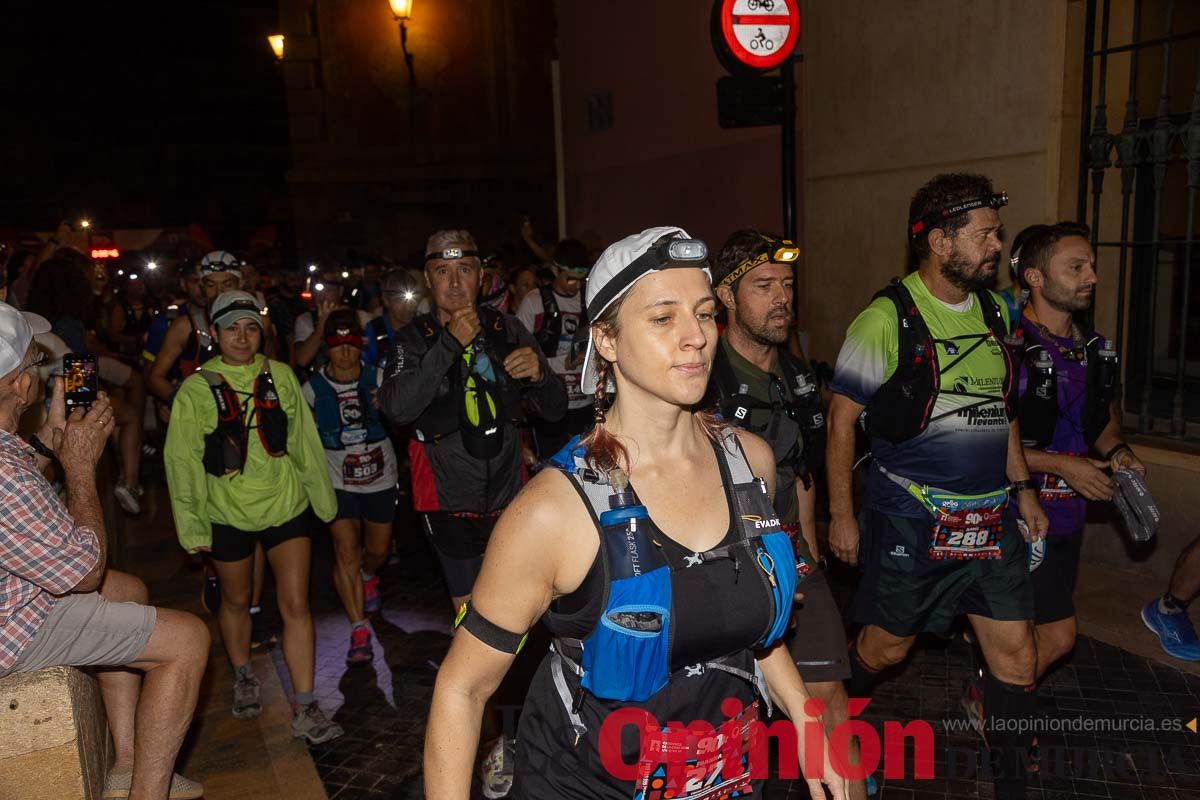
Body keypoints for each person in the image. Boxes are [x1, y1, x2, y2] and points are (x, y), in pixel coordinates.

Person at [424, 227, 848, 800]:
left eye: (703, 313)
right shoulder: (554, 511)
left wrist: (802, 712)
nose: (695, 336)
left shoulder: (753, 464)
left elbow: (751, 626)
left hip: (720, 778)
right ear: (607, 340)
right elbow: (463, 689)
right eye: (663, 318)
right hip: (584, 783)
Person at [826, 173, 1049, 799]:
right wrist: (843, 517)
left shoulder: (992, 310)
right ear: (939, 242)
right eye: (983, 235)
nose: (996, 246)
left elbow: (1000, 408)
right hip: (911, 520)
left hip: (991, 522)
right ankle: (835, 718)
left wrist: (1023, 487)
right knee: (887, 649)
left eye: (997, 234)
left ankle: (1014, 787)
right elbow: (842, 423)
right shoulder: (884, 319)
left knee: (1017, 656)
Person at [0, 302, 208, 800]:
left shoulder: (8, 452)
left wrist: (49, 447)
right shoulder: (4, 470)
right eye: (33, 363)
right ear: (21, 386)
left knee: (129, 591)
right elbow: (84, 571)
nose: (39, 372)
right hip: (9, 629)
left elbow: (24, 525)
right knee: (188, 640)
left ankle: (128, 766)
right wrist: (79, 467)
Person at [708, 229, 863, 800]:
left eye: (788, 285)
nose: (781, 298)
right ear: (726, 296)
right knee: (728, 723)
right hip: (720, 570)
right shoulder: (701, 377)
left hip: (791, 559)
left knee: (830, 702)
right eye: (763, 286)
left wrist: (814, 563)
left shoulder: (797, 375)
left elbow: (802, 475)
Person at [163, 290, 343, 744]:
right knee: (238, 601)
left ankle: (305, 705)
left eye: (250, 328)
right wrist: (193, 527)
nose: (242, 338)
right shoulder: (197, 389)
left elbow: (304, 440)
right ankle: (244, 675)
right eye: (231, 329)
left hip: (286, 505)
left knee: (297, 604)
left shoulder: (279, 375)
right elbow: (181, 462)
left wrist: (324, 503)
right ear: (216, 334)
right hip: (228, 512)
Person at [378, 229, 567, 614]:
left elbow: (556, 409)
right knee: (471, 615)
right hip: (447, 504)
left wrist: (541, 376)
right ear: (428, 280)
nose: (454, 282)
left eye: (464, 269)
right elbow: (396, 408)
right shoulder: (413, 338)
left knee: (518, 609)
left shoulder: (508, 329)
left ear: (480, 276)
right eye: (442, 271)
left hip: (510, 497)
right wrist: (449, 343)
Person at [302, 310, 398, 665]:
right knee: (346, 551)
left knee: (378, 549)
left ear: (361, 345)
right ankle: (359, 628)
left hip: (380, 478)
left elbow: (404, 414)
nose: (345, 352)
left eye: (351, 344)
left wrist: (386, 406)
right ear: (327, 348)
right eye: (337, 345)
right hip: (337, 481)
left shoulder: (379, 378)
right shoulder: (312, 390)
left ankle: (369, 575)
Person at [26, 253, 147, 515]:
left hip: (40, 403)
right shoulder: (69, 324)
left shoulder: (33, 321)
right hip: (62, 403)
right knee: (128, 416)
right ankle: (129, 481)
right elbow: (80, 380)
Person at [515, 238, 594, 457]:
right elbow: (518, 354)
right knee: (550, 468)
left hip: (584, 404)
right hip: (548, 405)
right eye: (569, 278)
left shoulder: (589, 300)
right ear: (554, 269)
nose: (575, 285)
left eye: (581, 280)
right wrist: (562, 362)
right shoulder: (534, 301)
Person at [363, 268, 423, 370]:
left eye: (413, 299)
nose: (408, 306)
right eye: (399, 299)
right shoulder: (374, 330)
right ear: (386, 300)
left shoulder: (425, 328)